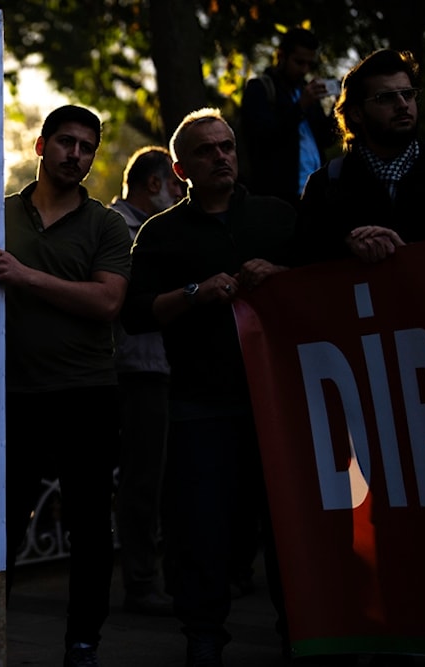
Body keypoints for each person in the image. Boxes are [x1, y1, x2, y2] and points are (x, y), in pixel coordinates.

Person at [122, 108, 296, 667]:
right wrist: (195, 293)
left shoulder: (277, 218)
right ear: (181, 167)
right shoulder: (161, 232)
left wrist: (283, 277)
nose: (220, 156)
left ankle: (302, 631)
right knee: (202, 525)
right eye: (206, 150)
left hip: (282, 401)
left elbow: (325, 287)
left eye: (226, 146)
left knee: (289, 525)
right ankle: (203, 634)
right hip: (200, 403)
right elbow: (137, 314)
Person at [0, 105, 132, 667]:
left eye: (87, 148)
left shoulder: (105, 225)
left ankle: (82, 643)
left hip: (86, 393)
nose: (76, 156)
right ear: (41, 147)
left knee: (89, 529)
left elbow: (108, 301)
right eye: (66, 142)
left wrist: (24, 276)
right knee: (0, 528)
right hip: (11, 396)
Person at [108, 145, 182, 616]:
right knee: (141, 480)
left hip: (154, 365)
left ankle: (153, 578)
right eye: (174, 186)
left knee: (155, 478)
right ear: (154, 184)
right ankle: (140, 582)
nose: (179, 194)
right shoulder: (121, 230)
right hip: (137, 366)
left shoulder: (141, 228)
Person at [297, 48, 425, 265]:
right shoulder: (326, 185)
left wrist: (410, 254)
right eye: (385, 98)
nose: (403, 105)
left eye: (408, 94)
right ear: (356, 113)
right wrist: (345, 244)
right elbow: (301, 264)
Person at [240, 27, 338, 206]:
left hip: (316, 194)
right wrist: (300, 107)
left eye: (309, 64)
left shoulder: (306, 91)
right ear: (281, 56)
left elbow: (325, 138)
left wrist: (338, 108)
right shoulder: (260, 89)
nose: (304, 70)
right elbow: (264, 137)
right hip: (278, 198)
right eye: (299, 62)